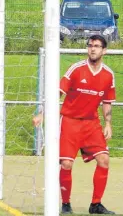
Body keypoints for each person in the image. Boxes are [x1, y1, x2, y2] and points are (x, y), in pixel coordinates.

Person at [33, 35, 116, 215]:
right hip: (70, 121)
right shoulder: (76, 69)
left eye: (96, 46)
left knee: (104, 160)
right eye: (90, 45)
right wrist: (42, 114)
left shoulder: (109, 75)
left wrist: (107, 123)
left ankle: (96, 205)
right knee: (66, 164)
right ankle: (66, 203)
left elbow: (107, 101)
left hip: (91, 123)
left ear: (104, 51)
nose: (92, 49)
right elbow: (58, 93)